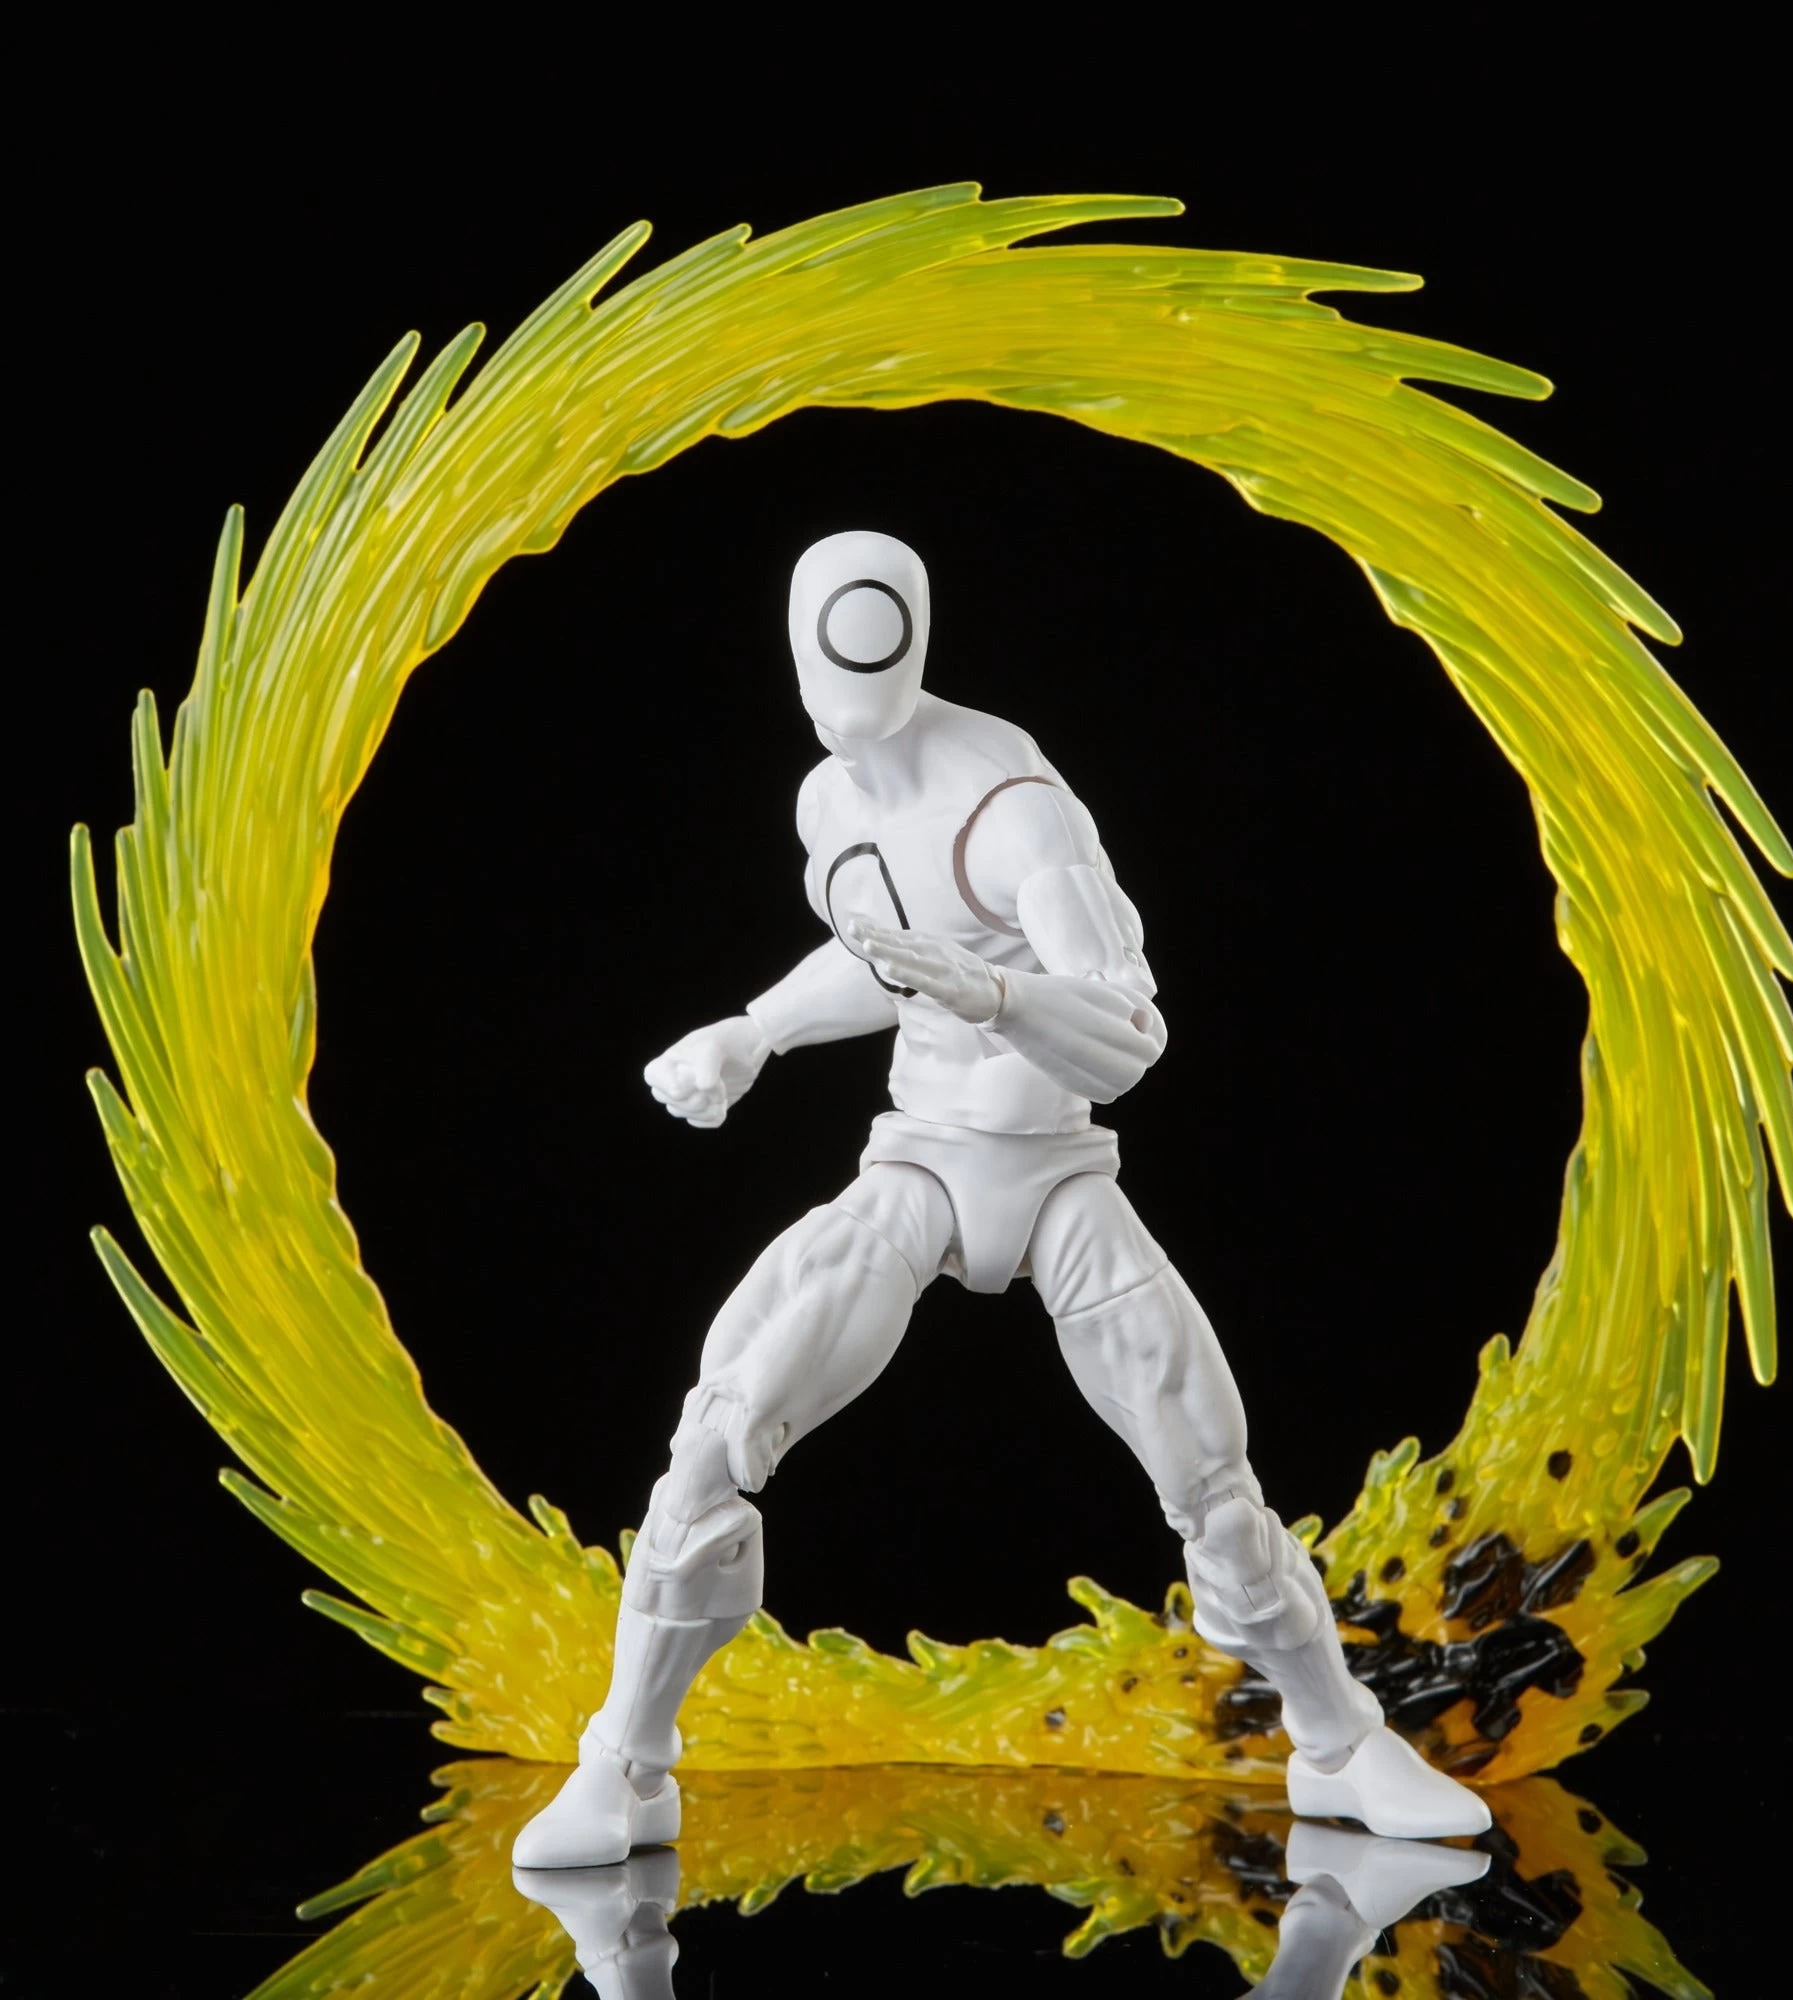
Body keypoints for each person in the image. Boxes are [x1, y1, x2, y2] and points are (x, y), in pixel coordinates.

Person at [513, 532, 1489, 1868]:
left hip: (1052, 1169)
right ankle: (625, 1766)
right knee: (721, 1428)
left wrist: (994, 994)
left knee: (1209, 1476)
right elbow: (875, 955)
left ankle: (1338, 1747)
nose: (847, 694)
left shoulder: (1015, 806)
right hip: (918, 1159)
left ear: (916, 648)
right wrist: (754, 1031)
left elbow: (1129, 1034)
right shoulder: (827, 803)